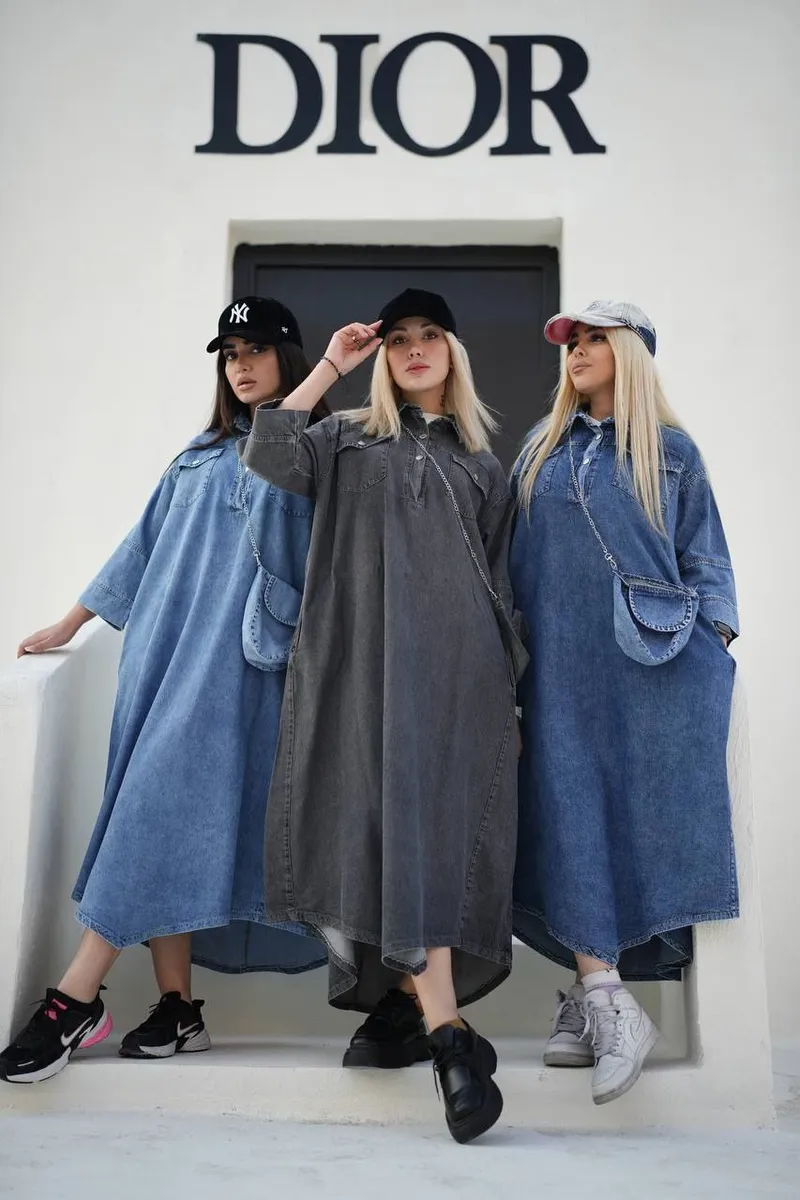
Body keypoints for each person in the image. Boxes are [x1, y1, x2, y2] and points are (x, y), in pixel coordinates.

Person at [0, 297, 327, 1085]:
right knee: (156, 818)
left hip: (238, 671)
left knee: (154, 813)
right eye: (230, 354)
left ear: (288, 356)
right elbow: (139, 546)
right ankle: (178, 1006)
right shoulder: (197, 455)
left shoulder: (309, 452)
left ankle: (75, 998)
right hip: (159, 661)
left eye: (255, 350)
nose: (240, 365)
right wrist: (70, 622)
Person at [241, 288, 524, 1143]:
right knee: (368, 832)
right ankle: (442, 1032)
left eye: (429, 335)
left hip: (458, 688)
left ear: (453, 352)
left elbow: (502, 586)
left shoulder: (484, 465)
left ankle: (430, 1026)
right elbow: (268, 447)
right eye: (398, 339)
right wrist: (334, 363)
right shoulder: (343, 439)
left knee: (429, 843)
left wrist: (509, 685)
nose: (413, 349)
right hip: (359, 679)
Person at [510, 300, 739, 1104]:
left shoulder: (673, 453)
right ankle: (604, 996)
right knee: (569, 820)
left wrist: (714, 642)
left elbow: (707, 562)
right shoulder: (539, 453)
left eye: (593, 340)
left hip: (655, 669)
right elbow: (510, 571)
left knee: (643, 828)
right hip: (558, 672)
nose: (575, 351)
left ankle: (593, 998)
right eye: (570, 341)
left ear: (631, 353)